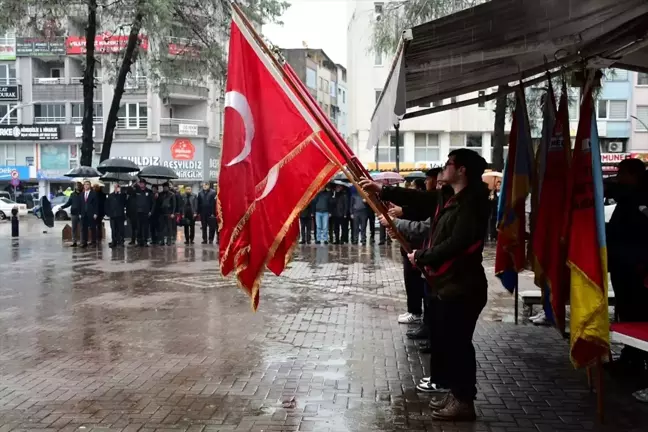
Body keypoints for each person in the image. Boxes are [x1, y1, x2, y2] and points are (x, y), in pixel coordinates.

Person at [360, 148, 489, 421]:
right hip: (448, 284)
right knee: (451, 343)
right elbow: (420, 197)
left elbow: (455, 244)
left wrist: (422, 256)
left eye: (449, 164)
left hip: (463, 286)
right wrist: (382, 190)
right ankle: (457, 394)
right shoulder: (449, 197)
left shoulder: (472, 204)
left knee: (459, 345)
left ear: (462, 169)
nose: (445, 168)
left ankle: (464, 400)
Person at [607, 158, 648, 369]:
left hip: (636, 265)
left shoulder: (639, 196)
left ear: (634, 175)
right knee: (627, 309)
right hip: (624, 262)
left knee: (636, 311)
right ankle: (631, 355)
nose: (619, 177)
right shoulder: (630, 196)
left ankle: (635, 357)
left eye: (622, 173)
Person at [61, 182, 83, 247]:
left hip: (81, 214)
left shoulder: (83, 194)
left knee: (82, 229)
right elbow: (69, 203)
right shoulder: (72, 194)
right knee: (74, 228)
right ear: (75, 187)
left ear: (80, 186)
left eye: (78, 185)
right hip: (74, 213)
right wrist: (62, 207)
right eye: (76, 185)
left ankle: (82, 242)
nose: (77, 187)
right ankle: (74, 242)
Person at [132, 179, 153, 247]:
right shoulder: (136, 191)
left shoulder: (149, 191)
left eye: (142, 183)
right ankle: (139, 241)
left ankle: (145, 241)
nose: (141, 184)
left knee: (145, 228)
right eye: (140, 183)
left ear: (145, 184)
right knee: (139, 228)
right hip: (138, 212)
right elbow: (130, 192)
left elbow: (152, 202)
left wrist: (150, 211)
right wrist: (134, 184)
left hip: (146, 212)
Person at [106, 183, 127, 248]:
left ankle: (121, 241)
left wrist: (120, 192)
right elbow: (107, 205)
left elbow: (124, 203)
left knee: (121, 229)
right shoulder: (110, 195)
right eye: (115, 187)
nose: (116, 188)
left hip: (120, 215)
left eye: (117, 187)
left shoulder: (122, 195)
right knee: (113, 229)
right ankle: (114, 241)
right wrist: (108, 213)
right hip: (112, 215)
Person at [80, 180, 98, 248]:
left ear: (90, 186)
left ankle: (93, 242)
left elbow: (96, 204)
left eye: (87, 184)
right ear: (83, 186)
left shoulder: (94, 194)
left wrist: (96, 213)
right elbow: (81, 204)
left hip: (91, 213)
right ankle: (85, 242)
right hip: (84, 214)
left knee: (92, 228)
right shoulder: (82, 194)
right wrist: (80, 213)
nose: (86, 185)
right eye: (85, 184)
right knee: (84, 228)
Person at [126, 180, 139, 245]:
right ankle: (133, 240)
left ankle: (138, 240)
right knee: (133, 228)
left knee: (138, 227)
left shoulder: (138, 191)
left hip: (137, 213)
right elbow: (127, 205)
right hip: (131, 213)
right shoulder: (130, 196)